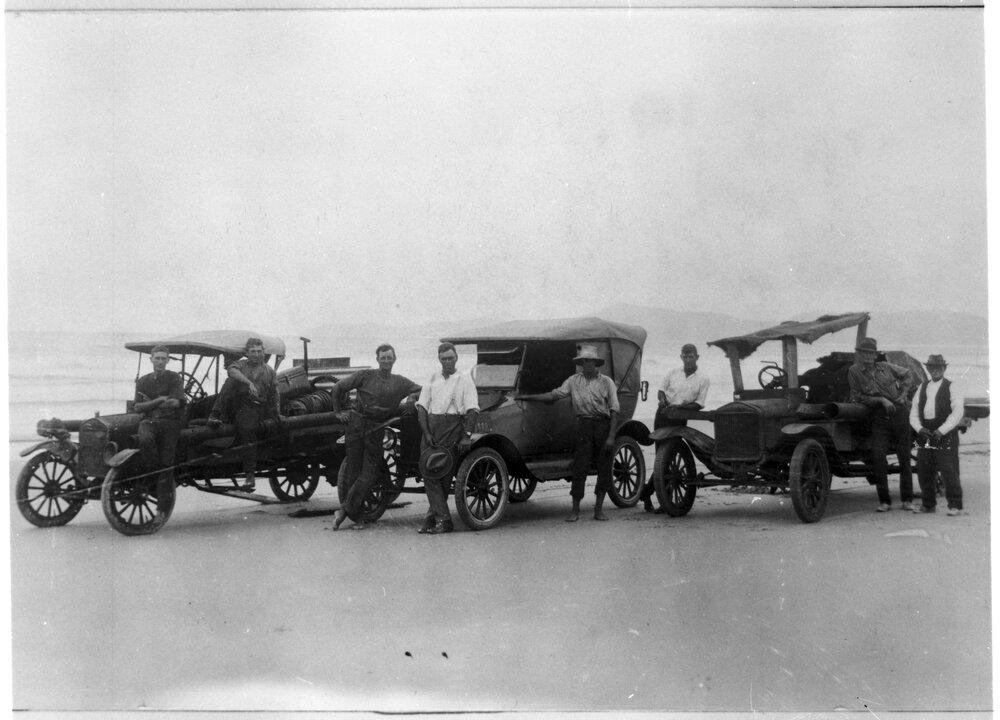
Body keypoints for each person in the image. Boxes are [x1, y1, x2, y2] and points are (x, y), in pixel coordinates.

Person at [519, 346, 619, 522]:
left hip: (603, 425)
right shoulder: (573, 381)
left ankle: (598, 509)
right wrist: (527, 397)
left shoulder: (607, 382)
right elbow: (554, 395)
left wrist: (611, 436)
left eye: (590, 361)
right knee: (579, 466)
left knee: (604, 467)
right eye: (583, 361)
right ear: (580, 363)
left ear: (596, 363)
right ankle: (575, 510)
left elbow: (615, 410)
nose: (586, 364)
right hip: (583, 426)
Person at [331, 344, 421, 530]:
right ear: (377, 359)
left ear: (394, 359)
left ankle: (343, 511)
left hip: (377, 427)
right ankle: (357, 517)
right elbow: (339, 387)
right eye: (383, 357)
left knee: (370, 472)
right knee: (354, 470)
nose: (386, 360)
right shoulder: (365, 375)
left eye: (389, 357)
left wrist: (412, 396)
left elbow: (422, 389)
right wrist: (338, 413)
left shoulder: (400, 382)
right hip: (356, 423)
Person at [415, 342, 479, 535]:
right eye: (444, 359)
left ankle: (439, 520)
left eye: (450, 358)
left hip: (452, 429)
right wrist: (426, 433)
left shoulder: (465, 379)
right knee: (428, 472)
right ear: (439, 359)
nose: (447, 362)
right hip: (431, 429)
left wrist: (466, 436)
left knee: (442, 475)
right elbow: (422, 407)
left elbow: (473, 409)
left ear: (456, 358)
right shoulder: (432, 378)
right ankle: (437, 518)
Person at [848, 337, 916, 512]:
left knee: (904, 458)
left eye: (870, 353)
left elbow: (907, 374)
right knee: (878, 459)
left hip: (900, 414)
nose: (867, 356)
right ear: (859, 354)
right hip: (878, 416)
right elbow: (856, 397)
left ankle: (907, 500)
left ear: (875, 354)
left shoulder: (885, 367)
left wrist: (903, 395)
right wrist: (880, 400)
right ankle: (884, 501)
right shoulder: (854, 371)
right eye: (864, 352)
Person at [639, 343, 710, 512]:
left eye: (690, 356)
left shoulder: (703, 379)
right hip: (663, 416)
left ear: (697, 357)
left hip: (679, 420)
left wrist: (680, 409)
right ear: (681, 357)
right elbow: (661, 390)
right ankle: (658, 497)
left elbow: (699, 404)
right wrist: (663, 400)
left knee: (669, 459)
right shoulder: (673, 372)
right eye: (685, 356)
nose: (687, 359)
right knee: (661, 459)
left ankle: (650, 495)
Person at [208, 337, 282, 493]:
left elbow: (275, 394)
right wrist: (248, 383)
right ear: (247, 353)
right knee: (230, 382)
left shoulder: (269, 371)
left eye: (259, 351)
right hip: (237, 404)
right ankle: (214, 415)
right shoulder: (241, 365)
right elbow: (231, 370)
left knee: (248, 430)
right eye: (252, 351)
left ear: (263, 352)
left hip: (255, 408)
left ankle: (250, 474)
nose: (256, 354)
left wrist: (278, 413)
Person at [910, 354, 965, 516]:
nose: (935, 371)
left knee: (949, 470)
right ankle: (928, 505)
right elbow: (913, 412)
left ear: (944, 369)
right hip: (926, 433)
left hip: (945, 434)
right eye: (931, 368)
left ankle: (955, 505)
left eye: (938, 368)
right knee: (924, 469)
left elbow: (957, 412)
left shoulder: (952, 386)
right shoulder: (922, 387)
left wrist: (942, 430)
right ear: (927, 369)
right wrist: (920, 429)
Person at [133, 345, 186, 505]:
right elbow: (137, 407)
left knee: (167, 458)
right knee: (145, 440)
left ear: (168, 360)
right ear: (151, 360)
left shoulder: (174, 378)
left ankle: (164, 498)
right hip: (149, 421)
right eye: (157, 358)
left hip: (171, 422)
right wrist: (159, 400)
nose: (160, 362)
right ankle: (154, 475)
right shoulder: (143, 381)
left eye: (164, 358)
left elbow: (175, 403)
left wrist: (150, 403)